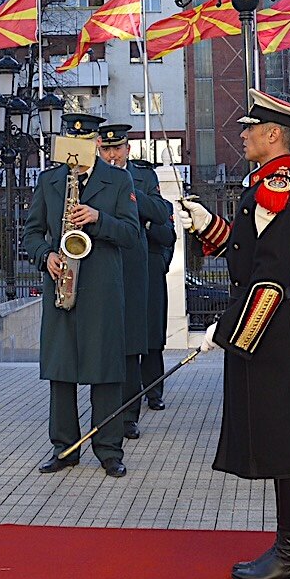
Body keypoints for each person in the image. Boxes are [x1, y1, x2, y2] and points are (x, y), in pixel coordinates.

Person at [179, 90, 290, 579]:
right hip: (276, 326)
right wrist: (210, 226)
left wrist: (224, 331)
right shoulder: (268, 183)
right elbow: (249, 252)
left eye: (250, 129)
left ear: (274, 135)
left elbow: (269, 278)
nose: (242, 135)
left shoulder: (280, 187)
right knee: (281, 440)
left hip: (279, 328)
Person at [25, 113, 138, 478]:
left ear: (95, 145)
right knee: (62, 371)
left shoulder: (119, 180)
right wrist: (46, 256)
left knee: (105, 372)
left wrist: (97, 219)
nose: (77, 152)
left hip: (102, 292)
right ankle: (65, 448)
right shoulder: (49, 181)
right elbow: (31, 234)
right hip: (62, 288)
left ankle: (109, 450)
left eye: (85, 145)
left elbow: (132, 234)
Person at [96, 123, 151, 439]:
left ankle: (129, 415)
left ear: (128, 149)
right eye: (107, 149)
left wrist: (128, 193)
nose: (113, 155)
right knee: (105, 344)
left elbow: (160, 212)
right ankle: (105, 412)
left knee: (130, 346)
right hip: (102, 267)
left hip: (130, 266)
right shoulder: (93, 179)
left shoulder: (142, 177)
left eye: (118, 149)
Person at [127, 155, 177, 411]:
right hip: (123, 268)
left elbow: (167, 235)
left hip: (150, 269)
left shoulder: (149, 186)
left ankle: (153, 390)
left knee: (152, 335)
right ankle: (128, 395)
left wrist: (144, 220)